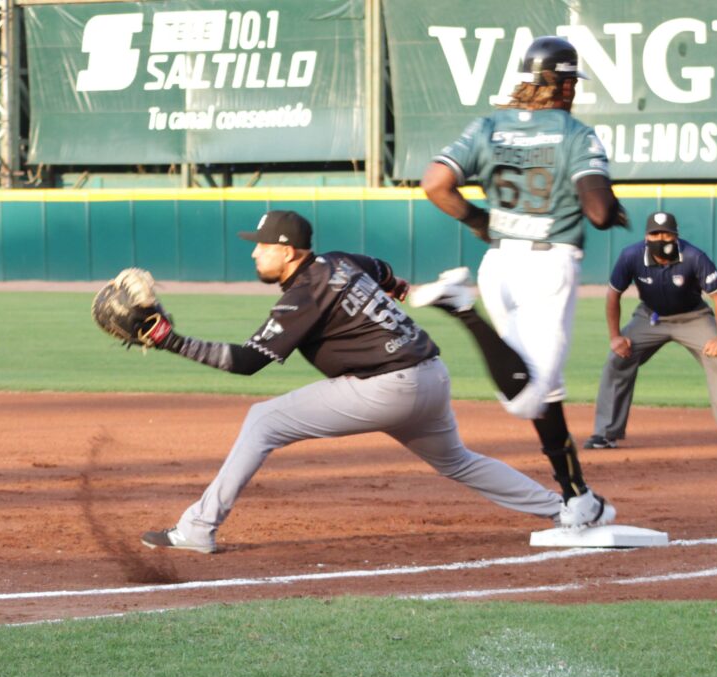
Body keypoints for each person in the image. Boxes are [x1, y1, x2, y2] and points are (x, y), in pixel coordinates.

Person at [135, 209, 568, 553]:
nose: (254, 254)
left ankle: (198, 528)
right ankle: (565, 511)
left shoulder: (304, 294)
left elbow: (247, 362)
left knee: (263, 420)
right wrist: (400, 289)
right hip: (431, 376)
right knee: (458, 461)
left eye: (263, 246)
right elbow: (382, 270)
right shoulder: (341, 260)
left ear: (288, 252)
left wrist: (169, 340)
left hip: (387, 387)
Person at [412, 35, 626, 528]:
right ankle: (461, 308)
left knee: (545, 392)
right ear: (564, 85)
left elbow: (435, 183)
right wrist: (612, 207)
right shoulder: (575, 133)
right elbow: (597, 212)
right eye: (572, 83)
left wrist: (478, 221)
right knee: (526, 396)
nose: (574, 91)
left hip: (499, 262)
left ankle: (577, 496)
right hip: (549, 266)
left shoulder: (488, 126)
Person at [583, 211, 717, 451]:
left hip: (693, 316)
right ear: (646, 237)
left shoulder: (693, 256)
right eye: (655, 234)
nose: (661, 239)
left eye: (666, 234)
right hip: (650, 317)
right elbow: (613, 295)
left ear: (675, 236)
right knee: (617, 359)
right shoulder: (631, 256)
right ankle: (605, 433)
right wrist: (615, 337)